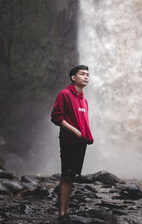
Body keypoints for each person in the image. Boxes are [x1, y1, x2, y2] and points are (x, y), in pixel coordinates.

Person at [51, 65, 94, 220]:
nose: (86, 77)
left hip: (80, 143)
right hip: (69, 141)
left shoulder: (84, 101)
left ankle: (66, 211)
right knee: (66, 176)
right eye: (82, 74)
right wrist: (75, 131)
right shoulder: (64, 94)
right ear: (73, 77)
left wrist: (86, 136)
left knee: (72, 176)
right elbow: (56, 117)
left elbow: (84, 122)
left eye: (88, 74)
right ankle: (61, 213)